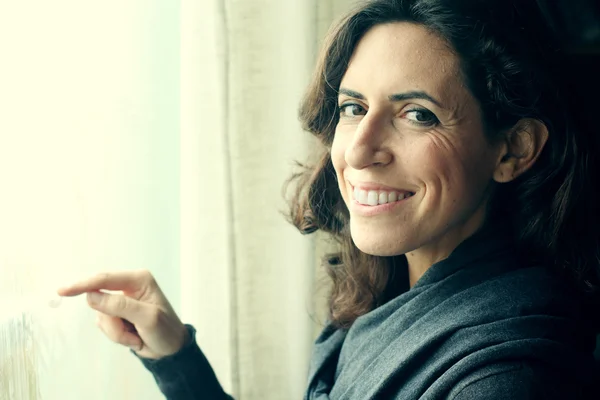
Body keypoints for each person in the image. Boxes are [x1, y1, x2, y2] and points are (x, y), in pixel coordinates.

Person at [57, 0, 600, 398]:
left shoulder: (503, 378)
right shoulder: (388, 285)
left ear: (513, 150)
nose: (359, 150)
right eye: (352, 107)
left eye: (418, 115)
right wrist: (177, 359)